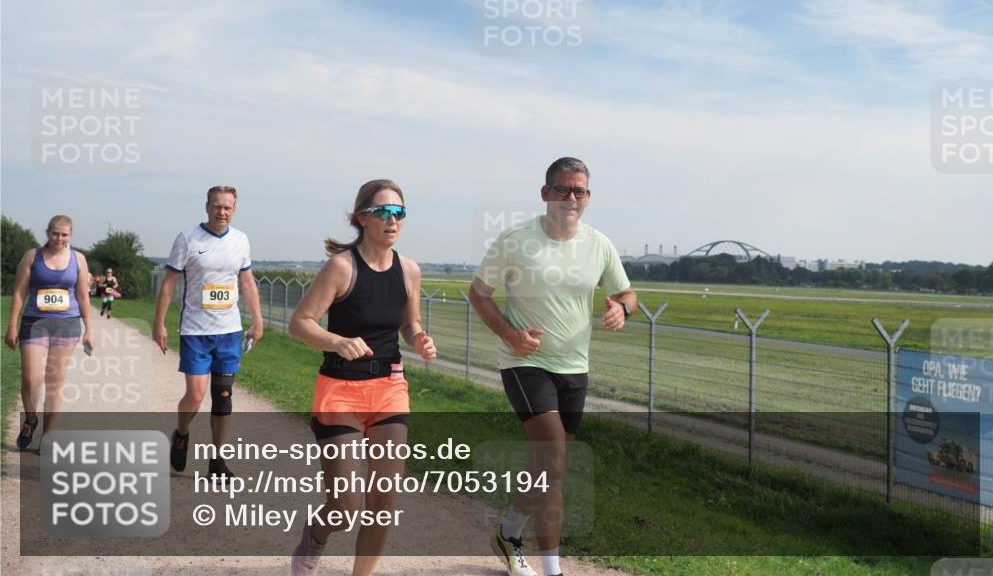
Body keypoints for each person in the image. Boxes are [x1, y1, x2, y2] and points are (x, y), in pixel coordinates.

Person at [469, 158, 636, 576]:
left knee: (546, 467)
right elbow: (479, 293)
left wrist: (622, 310)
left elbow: (628, 293)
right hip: (526, 364)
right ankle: (552, 570)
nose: (571, 198)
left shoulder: (599, 244)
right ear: (545, 193)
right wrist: (510, 334)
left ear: (589, 197)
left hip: (574, 367)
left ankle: (508, 534)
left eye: (579, 191)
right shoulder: (515, 241)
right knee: (555, 460)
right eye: (562, 189)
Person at [287, 179, 436, 576]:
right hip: (340, 392)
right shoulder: (342, 267)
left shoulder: (409, 270)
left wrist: (419, 337)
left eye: (399, 213)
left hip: (389, 390)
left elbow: (410, 322)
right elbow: (300, 324)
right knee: (346, 502)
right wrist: (337, 341)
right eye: (383, 212)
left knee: (384, 499)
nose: (393, 220)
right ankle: (316, 536)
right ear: (361, 218)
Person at [152, 186, 264, 478]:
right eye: (217, 206)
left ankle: (217, 461)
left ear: (235, 209)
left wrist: (258, 320)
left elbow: (248, 282)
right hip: (195, 331)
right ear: (207, 207)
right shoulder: (188, 238)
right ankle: (182, 432)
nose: (222, 212)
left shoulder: (241, 240)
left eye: (227, 207)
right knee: (196, 394)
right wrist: (159, 323)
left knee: (223, 395)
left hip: (229, 331)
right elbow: (168, 284)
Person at [4, 215, 96, 451]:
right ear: (47, 232)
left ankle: (48, 435)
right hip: (35, 322)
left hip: (67, 324)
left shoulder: (78, 259)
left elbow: (83, 296)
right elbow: (18, 294)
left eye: (64, 234)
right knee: (30, 378)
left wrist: (90, 329)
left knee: (55, 382)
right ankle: (31, 419)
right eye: (55, 233)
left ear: (71, 236)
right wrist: (12, 325)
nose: (59, 238)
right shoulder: (32, 256)